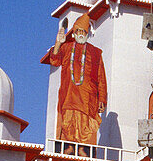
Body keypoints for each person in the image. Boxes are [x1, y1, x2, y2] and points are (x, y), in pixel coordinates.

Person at [43, 14, 107, 151]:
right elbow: (54, 61)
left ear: (87, 33)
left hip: (87, 98)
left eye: (84, 31)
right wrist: (58, 43)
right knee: (68, 123)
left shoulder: (96, 52)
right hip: (69, 96)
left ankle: (84, 151)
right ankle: (69, 149)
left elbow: (101, 77)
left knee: (85, 126)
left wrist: (102, 99)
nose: (81, 34)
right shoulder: (66, 48)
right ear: (74, 32)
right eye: (78, 31)